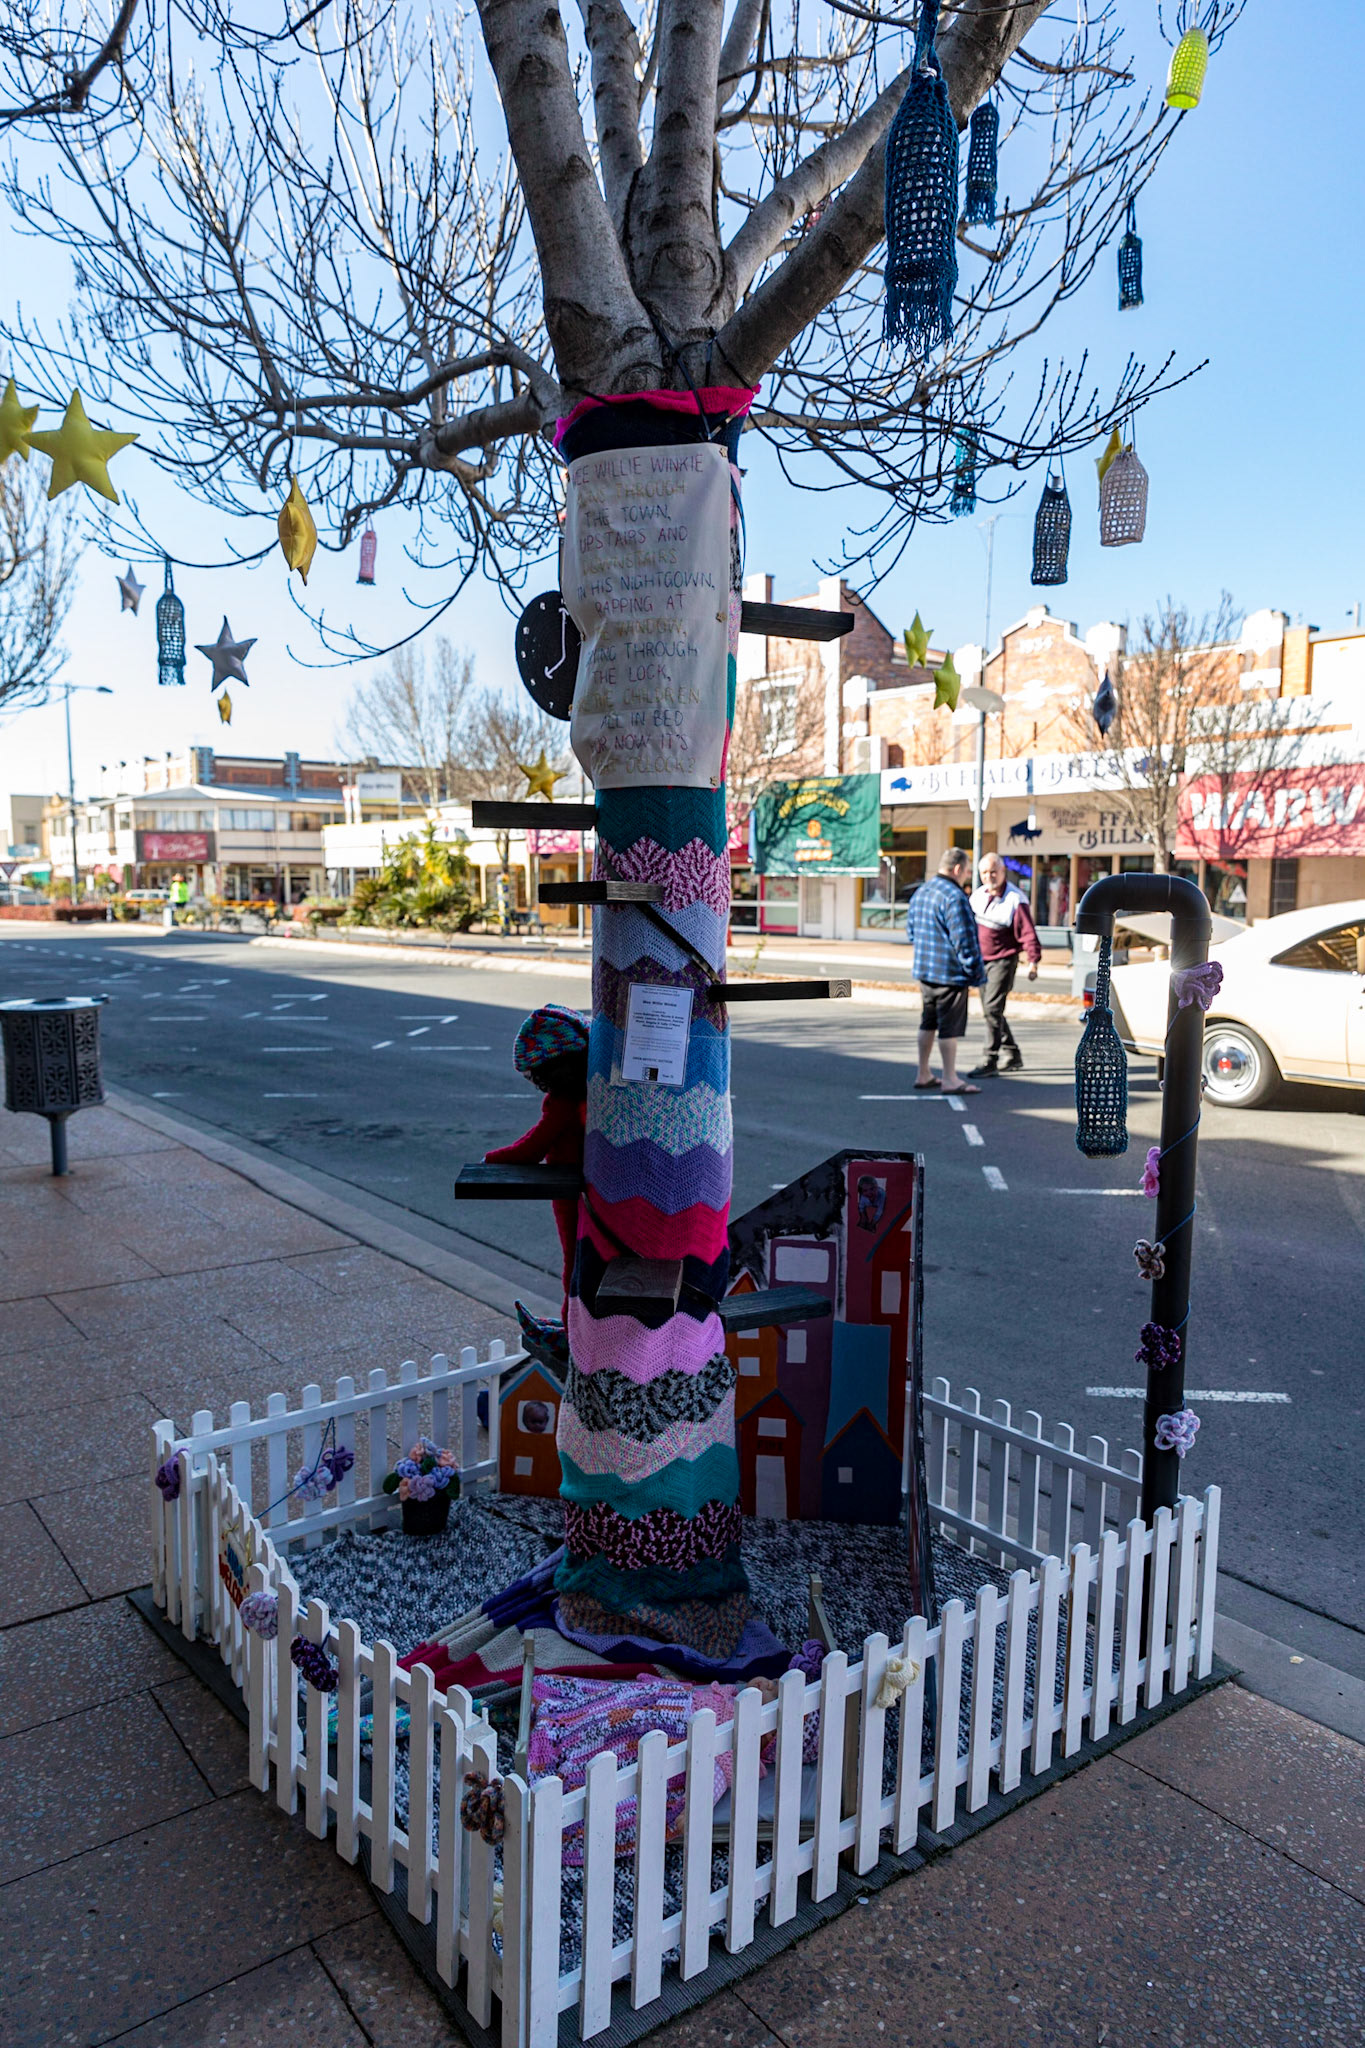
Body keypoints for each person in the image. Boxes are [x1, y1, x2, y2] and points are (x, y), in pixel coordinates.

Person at [906, 846, 985, 1094]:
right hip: (949, 974)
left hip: (925, 970)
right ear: (958, 869)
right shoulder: (954, 896)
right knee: (949, 1028)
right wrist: (976, 973)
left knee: (927, 1022)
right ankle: (950, 1078)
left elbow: (911, 932)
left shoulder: (921, 892)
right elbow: (965, 940)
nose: (966, 876)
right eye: (967, 871)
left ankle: (923, 1073)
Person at [969, 852, 1042, 1076]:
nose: (989, 876)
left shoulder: (1015, 899)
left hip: (1003, 961)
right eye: (984, 872)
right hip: (981, 961)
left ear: (1002, 872)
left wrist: (1033, 961)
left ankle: (989, 1059)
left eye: (993, 871)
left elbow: (1028, 933)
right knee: (993, 1011)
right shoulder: (978, 896)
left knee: (992, 1009)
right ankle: (1012, 1054)